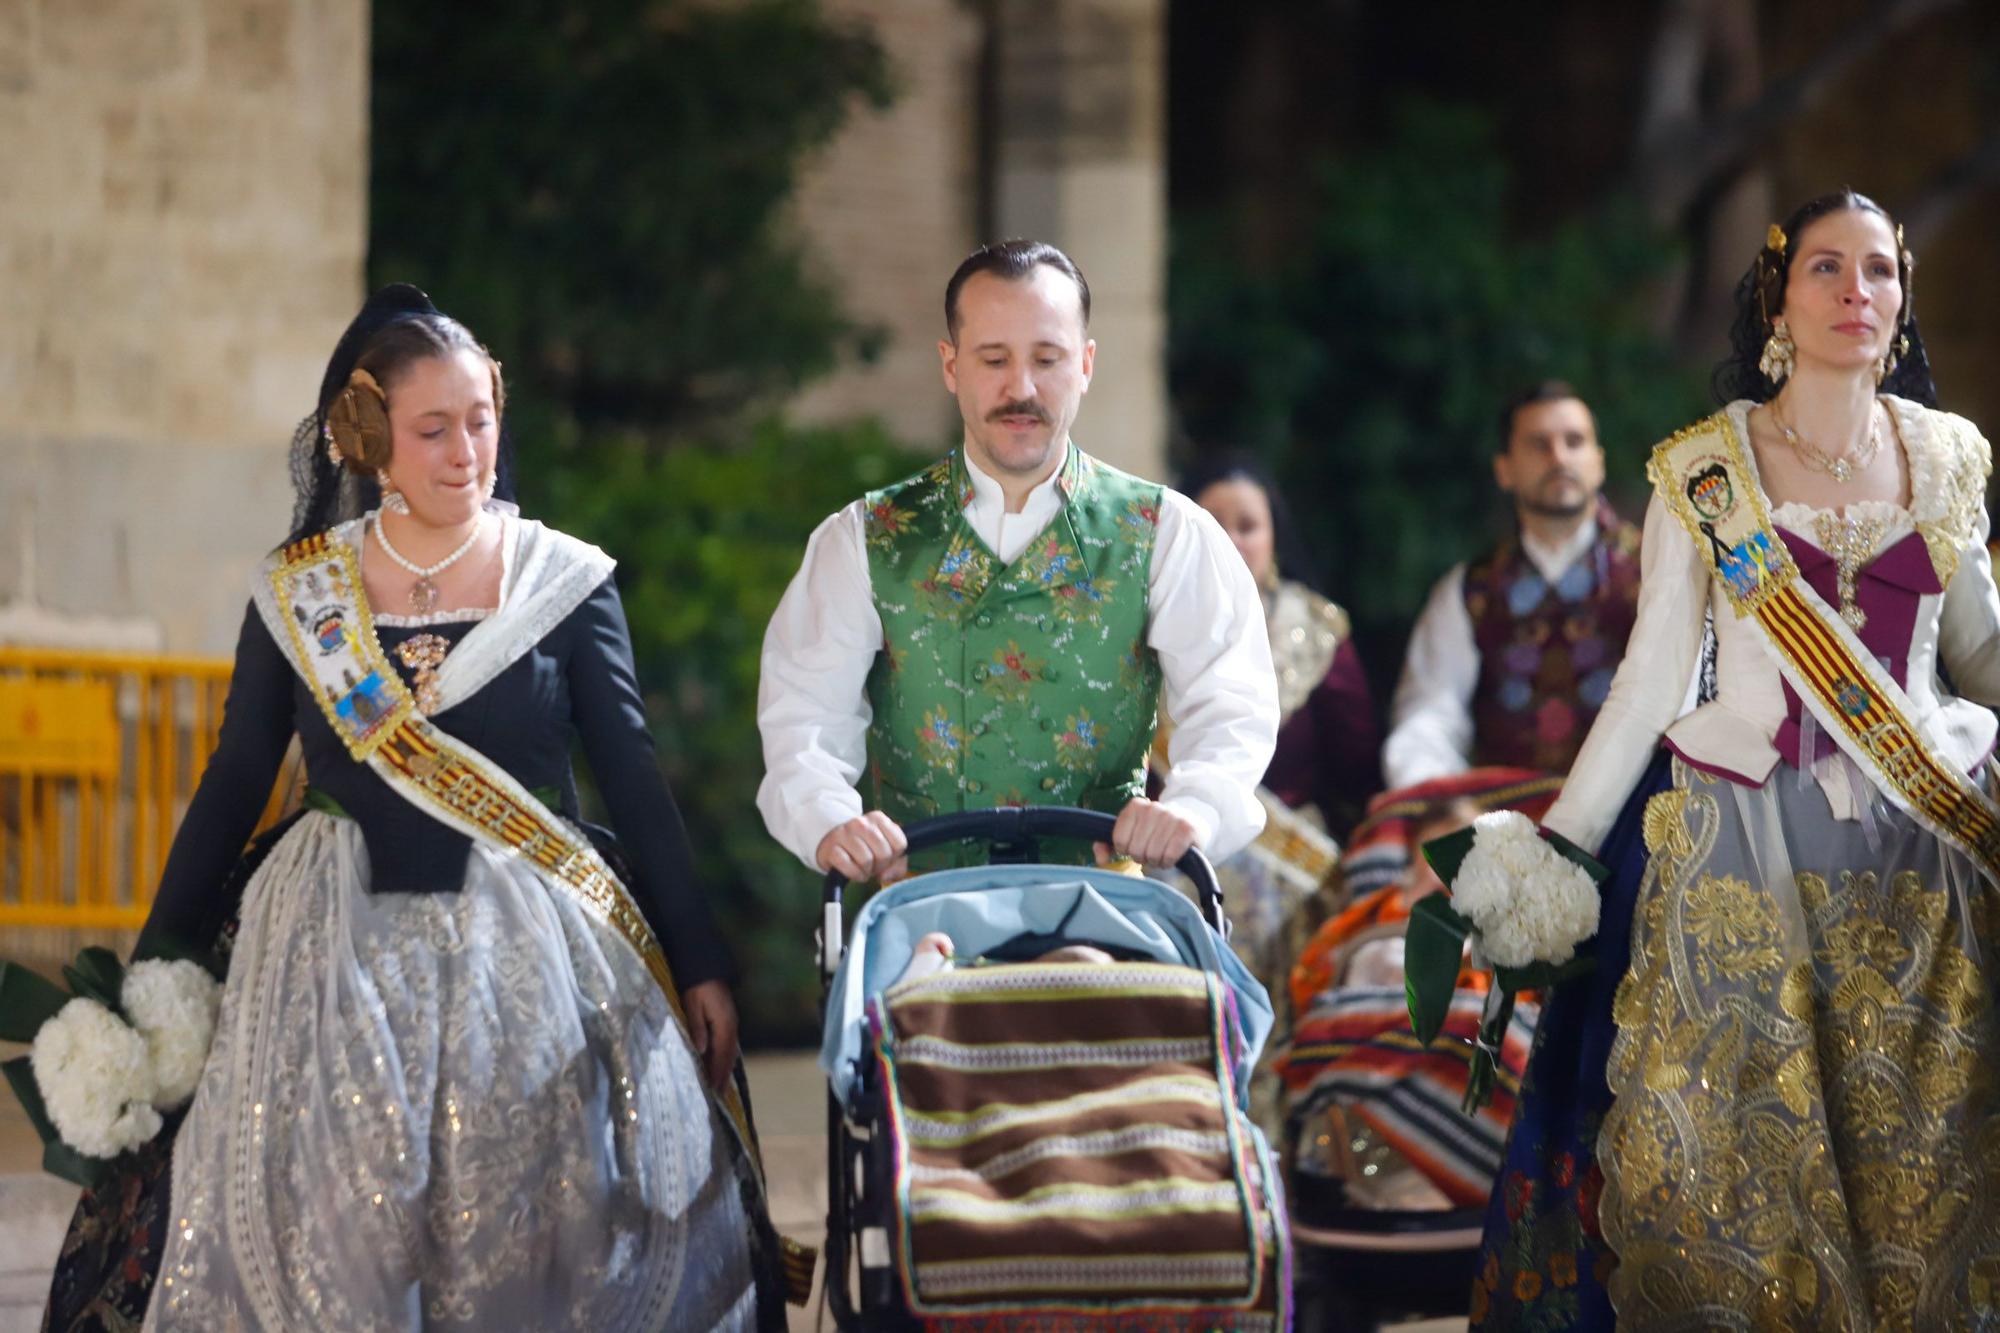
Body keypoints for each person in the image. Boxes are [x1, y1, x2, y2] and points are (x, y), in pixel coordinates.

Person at [48, 286, 784, 1331]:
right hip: (324, 953)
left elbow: (631, 775)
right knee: (328, 1218)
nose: (464, 450)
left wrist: (699, 957)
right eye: (432, 428)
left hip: (536, 954)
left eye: (480, 420)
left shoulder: (561, 580)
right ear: (367, 440)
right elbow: (233, 779)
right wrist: (156, 964)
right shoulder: (301, 592)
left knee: (549, 1226)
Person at [1467, 191, 2000, 1330]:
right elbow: (1650, 682)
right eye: (1824, 269)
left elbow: (1978, 655)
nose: (1854, 293)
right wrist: (1551, 855)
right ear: (1776, 297)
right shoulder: (1702, 472)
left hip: (1925, 861)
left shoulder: (1949, 456)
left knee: (1930, 1161)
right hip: (1742, 855)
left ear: (1901, 303)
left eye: (1877, 271)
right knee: (1744, 1172)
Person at [756, 241, 1278, 881]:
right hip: (918, 909)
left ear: (1085, 365)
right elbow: (803, 714)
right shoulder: (867, 537)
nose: (1021, 388)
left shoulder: (1166, 532)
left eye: (1048, 359)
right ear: (951, 366)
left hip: (1105, 909)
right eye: (993, 359)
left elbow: (1233, 704)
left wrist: (1194, 808)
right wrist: (830, 820)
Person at [1383, 382, 1642, 789]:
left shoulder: (1657, 571)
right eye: (1539, 444)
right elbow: (1430, 716)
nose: (1559, 457)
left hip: (1637, 818)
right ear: (1504, 469)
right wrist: (1443, 805)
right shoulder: (1470, 592)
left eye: (1574, 442)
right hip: (1508, 827)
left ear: (1599, 462)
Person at [1182, 452, 1381, 840]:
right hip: (1169, 858)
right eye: (1213, 524)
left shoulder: (1316, 629)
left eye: (1248, 526)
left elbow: (1357, 772)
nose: (1231, 541)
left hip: (1293, 871)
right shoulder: (1143, 625)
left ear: (1274, 538)